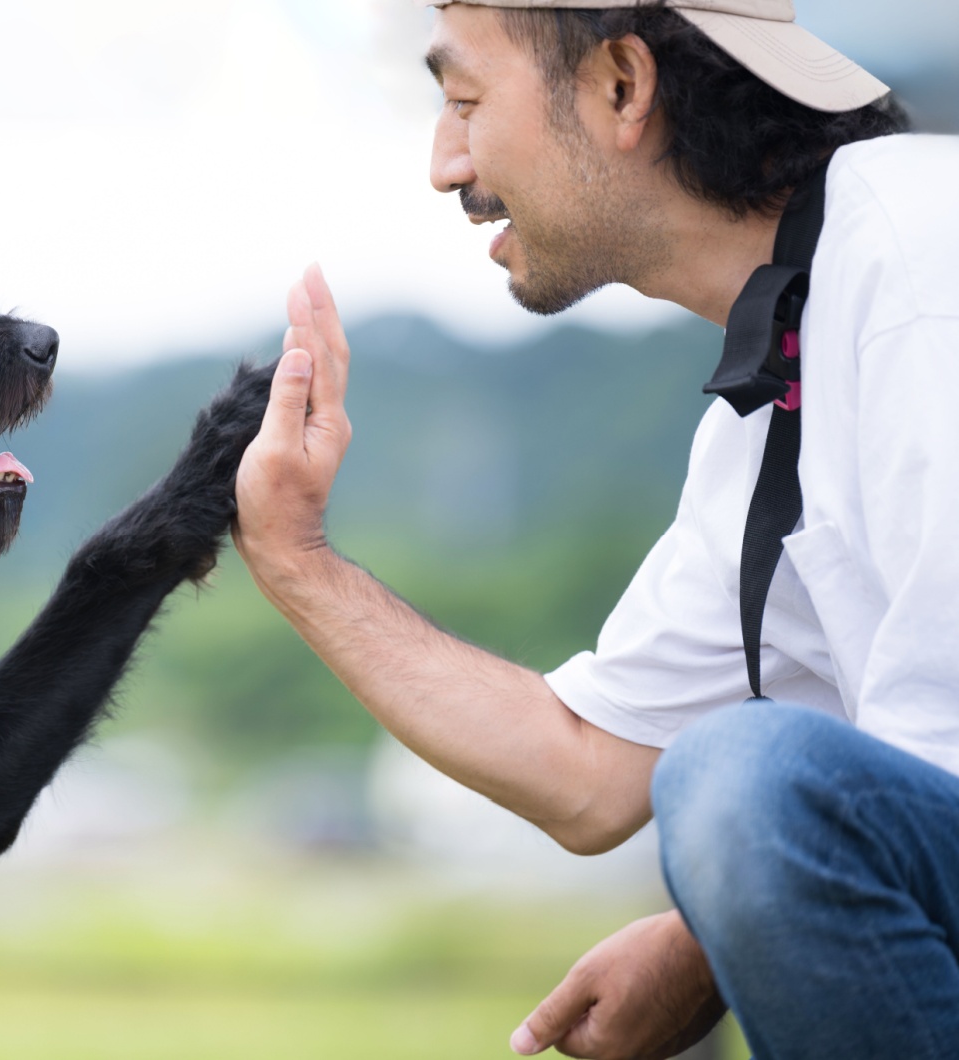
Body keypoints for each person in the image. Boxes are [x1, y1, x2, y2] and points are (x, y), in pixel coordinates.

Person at [231, 1, 959, 1057]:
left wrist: (705, 933)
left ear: (622, 86)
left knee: (742, 778)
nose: (445, 164)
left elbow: (912, 780)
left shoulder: (921, 267)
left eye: (465, 101)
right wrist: (295, 558)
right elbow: (588, 769)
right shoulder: (775, 399)